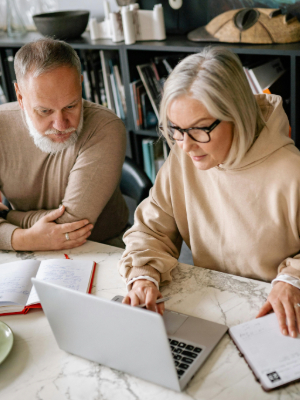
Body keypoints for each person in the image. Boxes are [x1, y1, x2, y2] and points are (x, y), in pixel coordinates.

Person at [119, 47, 300, 338]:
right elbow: (151, 230)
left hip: (277, 322)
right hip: (214, 313)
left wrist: (293, 280)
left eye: (200, 129)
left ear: (237, 116)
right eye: (176, 129)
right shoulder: (184, 157)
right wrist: (143, 275)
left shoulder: (292, 172)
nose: (185, 145)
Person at [0, 38, 128, 251]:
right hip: (24, 249)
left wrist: (7, 216)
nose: (61, 125)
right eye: (45, 111)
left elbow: (73, 225)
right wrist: (24, 238)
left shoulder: (106, 126)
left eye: (71, 105)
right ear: (20, 97)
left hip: (102, 247)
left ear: (80, 83)